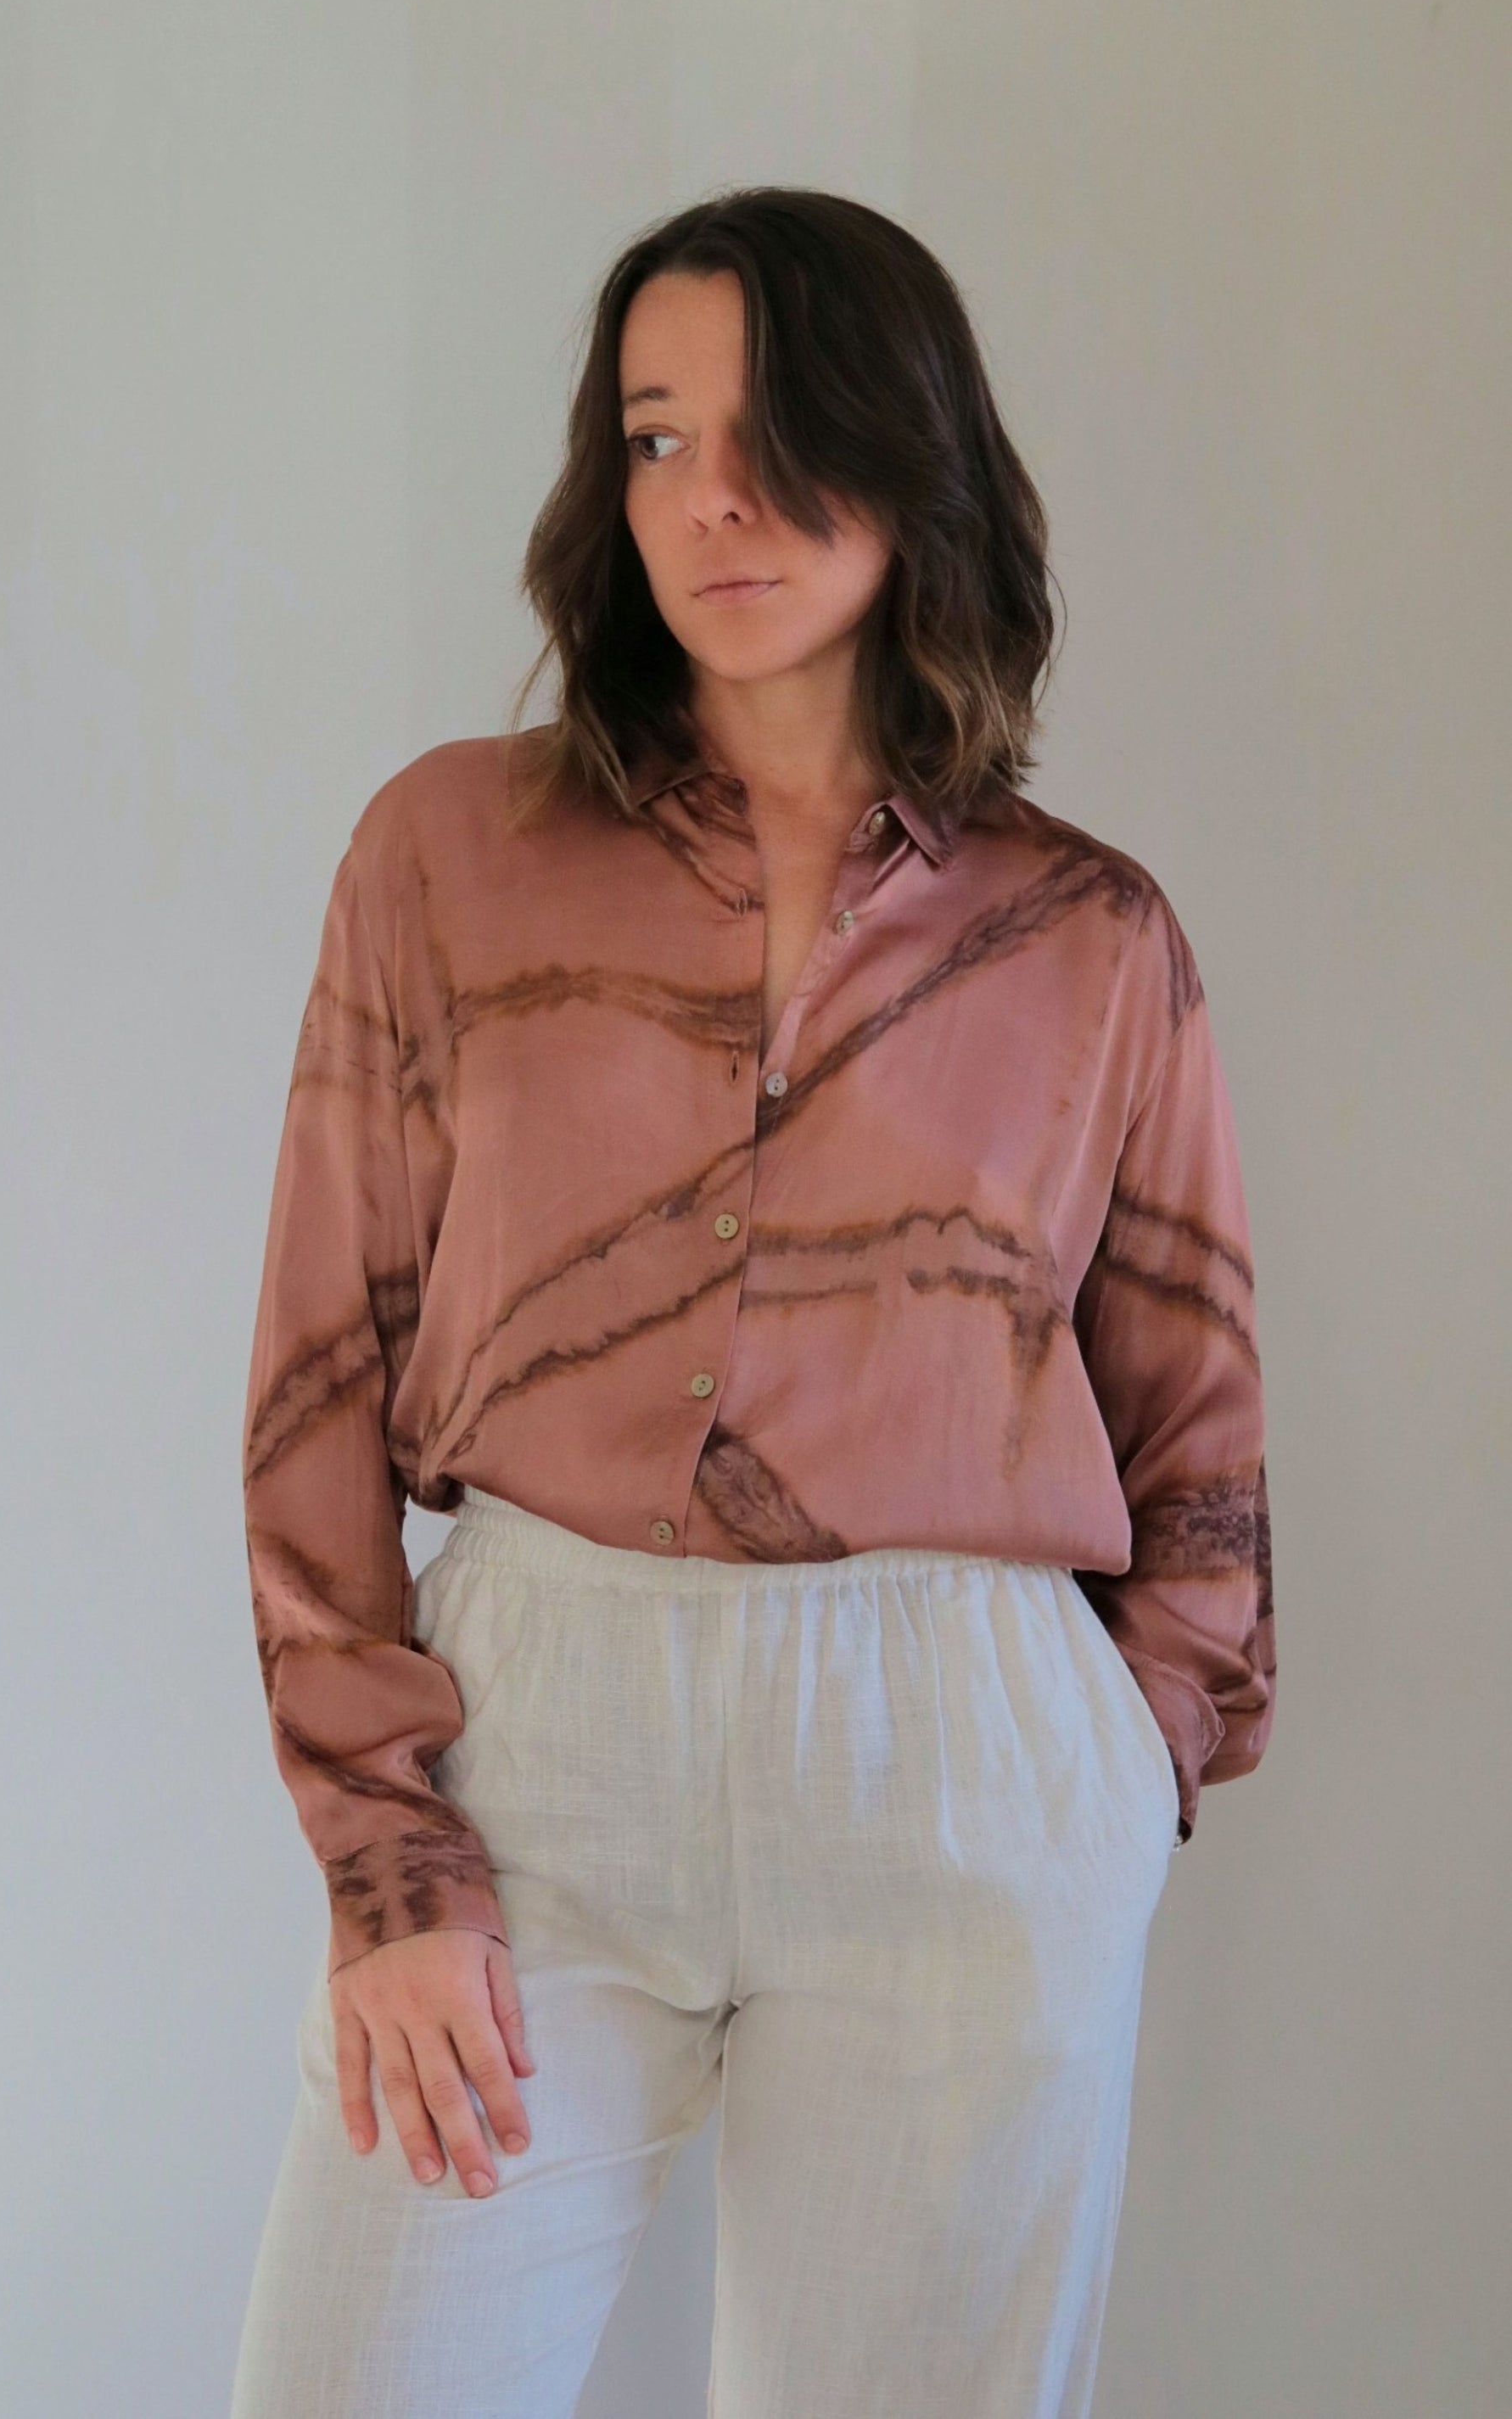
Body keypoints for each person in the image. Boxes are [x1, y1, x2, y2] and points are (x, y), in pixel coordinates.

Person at [228, 187, 1275, 2419]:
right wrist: (385, 1858)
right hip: (535, 1739)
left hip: (961, 1769)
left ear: (910, 453)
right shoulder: (446, 856)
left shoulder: (1091, 942)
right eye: (652, 437)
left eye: (767, 432)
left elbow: (1197, 1436)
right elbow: (316, 1373)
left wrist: (1115, 1781)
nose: (705, 498)